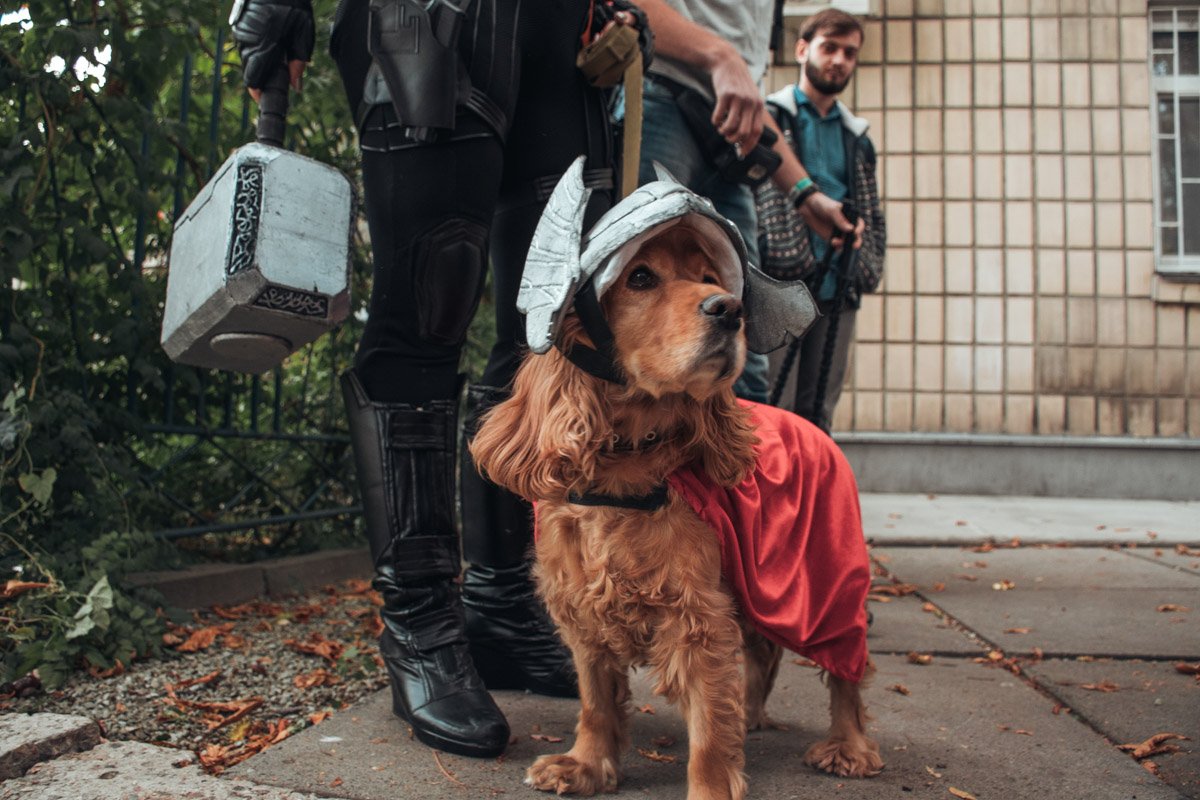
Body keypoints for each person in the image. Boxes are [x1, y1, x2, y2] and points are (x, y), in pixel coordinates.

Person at [230, 0, 646, 759]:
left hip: (555, 30)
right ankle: (419, 623)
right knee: (431, 294)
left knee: (547, 326)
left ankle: (501, 604)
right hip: (431, 18)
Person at [629, 0, 862, 404]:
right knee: (642, 340)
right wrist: (721, 56)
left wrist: (806, 197)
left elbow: (748, 92)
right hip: (658, 91)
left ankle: (746, 465)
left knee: (749, 365)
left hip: (733, 134)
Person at [763, 9, 885, 432]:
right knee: (773, 406)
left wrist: (862, 255)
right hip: (781, 285)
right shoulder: (771, 118)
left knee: (819, 414)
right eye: (829, 48)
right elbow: (759, 196)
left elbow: (872, 209)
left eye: (849, 53)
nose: (839, 60)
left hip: (838, 287)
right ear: (802, 50)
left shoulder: (857, 136)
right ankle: (767, 498)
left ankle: (813, 498)